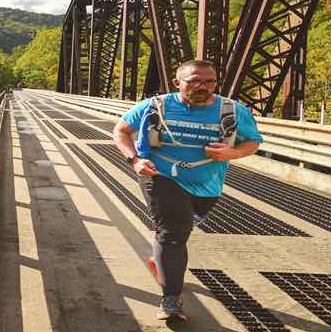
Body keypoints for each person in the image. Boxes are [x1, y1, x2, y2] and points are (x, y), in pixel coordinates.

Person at [111, 60, 263, 322]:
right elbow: (121, 131)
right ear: (177, 82)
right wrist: (134, 160)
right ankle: (171, 300)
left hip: (208, 186)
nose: (202, 86)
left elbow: (253, 142)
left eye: (209, 81)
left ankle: (160, 262)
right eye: (194, 80)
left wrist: (233, 152)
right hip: (159, 176)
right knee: (172, 233)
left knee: (178, 232)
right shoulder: (156, 106)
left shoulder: (233, 110)